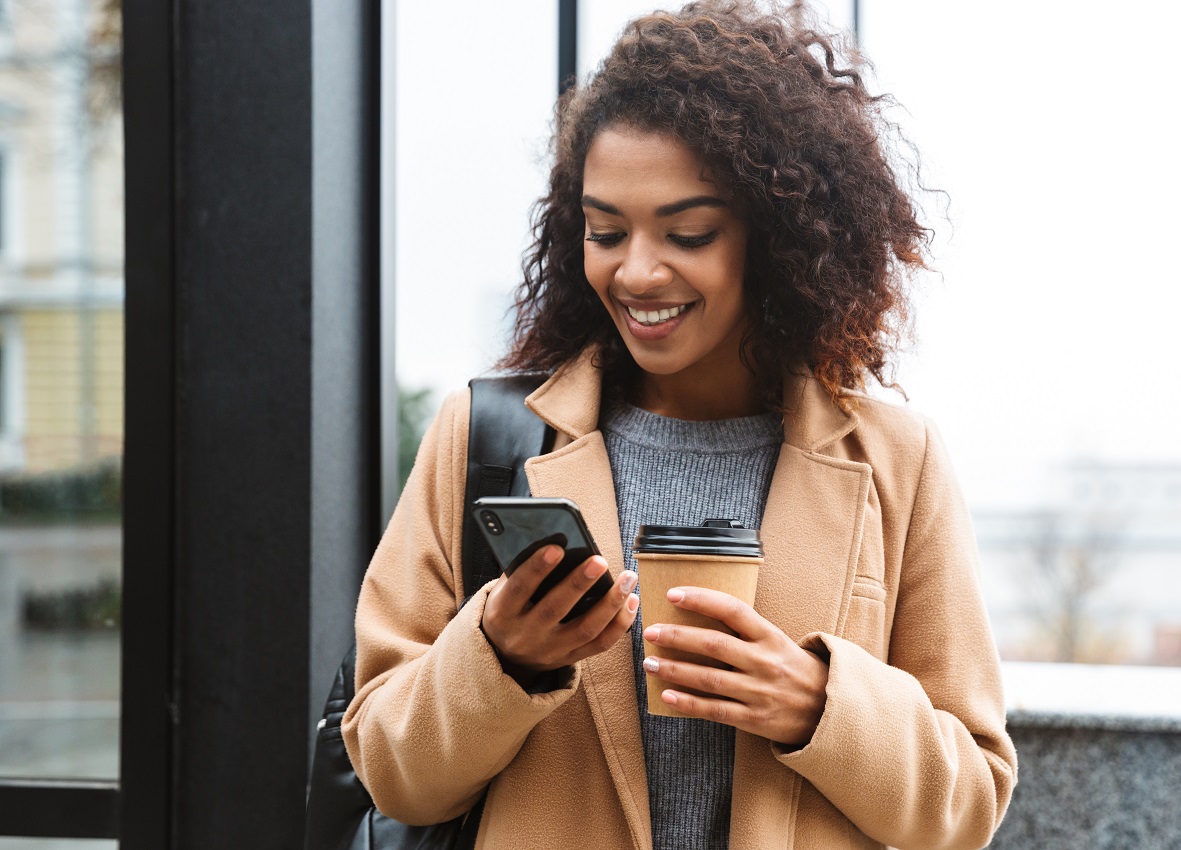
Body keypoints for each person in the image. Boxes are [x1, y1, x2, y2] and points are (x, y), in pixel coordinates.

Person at [342, 2, 1017, 848]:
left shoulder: (896, 460)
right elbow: (389, 772)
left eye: (688, 232)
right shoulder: (486, 439)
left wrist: (817, 703)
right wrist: (499, 655)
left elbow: (970, 806)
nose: (637, 272)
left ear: (773, 239)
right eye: (605, 231)